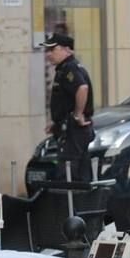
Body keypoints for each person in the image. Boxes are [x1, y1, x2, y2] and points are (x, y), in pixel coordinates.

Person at [41, 33, 95, 183]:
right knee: (77, 172)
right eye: (47, 51)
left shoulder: (70, 68)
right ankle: (78, 204)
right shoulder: (63, 68)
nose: (49, 54)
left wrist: (78, 114)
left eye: (53, 50)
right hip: (69, 127)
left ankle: (71, 205)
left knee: (69, 173)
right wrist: (56, 121)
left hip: (74, 130)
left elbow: (82, 88)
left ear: (67, 50)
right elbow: (66, 100)